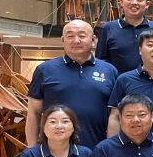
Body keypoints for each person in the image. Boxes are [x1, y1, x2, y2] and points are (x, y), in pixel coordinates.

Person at [26, 19, 117, 148]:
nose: (76, 40)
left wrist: (111, 150)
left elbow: (115, 115)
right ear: (63, 40)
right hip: (54, 152)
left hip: (97, 149)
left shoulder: (109, 71)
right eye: (70, 36)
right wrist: (32, 149)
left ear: (93, 39)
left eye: (82, 36)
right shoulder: (44, 70)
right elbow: (33, 113)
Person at [96, 0, 153, 73]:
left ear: (147, 4)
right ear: (121, 2)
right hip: (117, 81)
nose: (134, 2)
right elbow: (101, 61)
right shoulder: (107, 28)